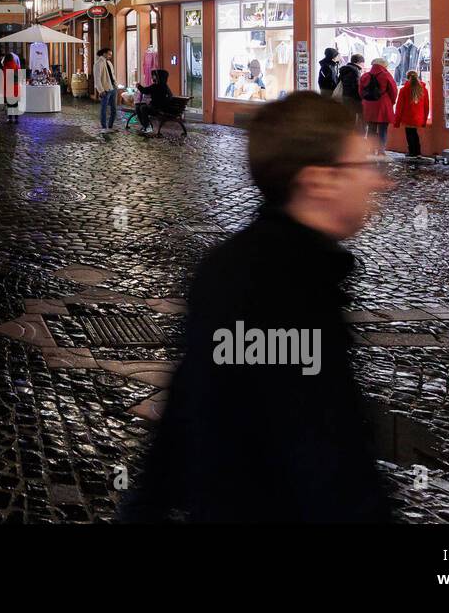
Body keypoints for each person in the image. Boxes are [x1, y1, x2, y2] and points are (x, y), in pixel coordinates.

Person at [119, 92, 394, 523]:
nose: (379, 181)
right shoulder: (286, 285)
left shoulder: (246, 266)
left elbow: (187, 408)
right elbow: (319, 451)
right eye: (363, 166)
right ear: (318, 181)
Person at [359, 57, 398, 153]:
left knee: (371, 129)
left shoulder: (365, 75)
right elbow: (393, 91)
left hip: (368, 105)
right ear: (383, 65)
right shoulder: (386, 75)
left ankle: (371, 150)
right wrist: (391, 102)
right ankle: (381, 151)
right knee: (383, 130)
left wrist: (366, 100)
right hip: (383, 105)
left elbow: (360, 91)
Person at [394, 70, 430, 158]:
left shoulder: (404, 90)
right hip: (419, 117)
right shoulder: (423, 89)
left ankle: (412, 151)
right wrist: (424, 119)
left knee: (409, 133)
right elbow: (426, 106)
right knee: (414, 133)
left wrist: (397, 121)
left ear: (407, 78)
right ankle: (417, 151)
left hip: (407, 117)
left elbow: (399, 106)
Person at [135, 68, 173, 134]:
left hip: (158, 109)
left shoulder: (157, 86)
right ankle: (145, 126)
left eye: (154, 75)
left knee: (142, 107)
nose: (153, 77)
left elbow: (145, 91)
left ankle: (147, 127)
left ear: (159, 77)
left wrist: (138, 86)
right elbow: (170, 96)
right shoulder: (164, 86)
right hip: (155, 107)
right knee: (138, 106)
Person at [336, 53, 366, 131]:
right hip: (354, 99)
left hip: (345, 97)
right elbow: (356, 87)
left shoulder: (343, 70)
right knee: (357, 119)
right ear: (360, 62)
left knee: (349, 118)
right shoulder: (355, 71)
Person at [94, 47, 118, 133]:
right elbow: (97, 78)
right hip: (105, 90)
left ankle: (110, 126)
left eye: (111, 54)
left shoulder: (109, 63)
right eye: (109, 54)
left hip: (113, 88)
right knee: (103, 109)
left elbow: (112, 75)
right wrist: (101, 90)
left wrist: (116, 84)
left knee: (114, 109)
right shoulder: (98, 63)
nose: (110, 56)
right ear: (104, 53)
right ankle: (104, 127)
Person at [2, 49, 22, 123]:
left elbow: (4, 80)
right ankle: (16, 119)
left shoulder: (5, 67)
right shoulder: (16, 66)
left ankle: (10, 119)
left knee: (9, 105)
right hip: (16, 88)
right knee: (16, 104)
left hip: (8, 88)